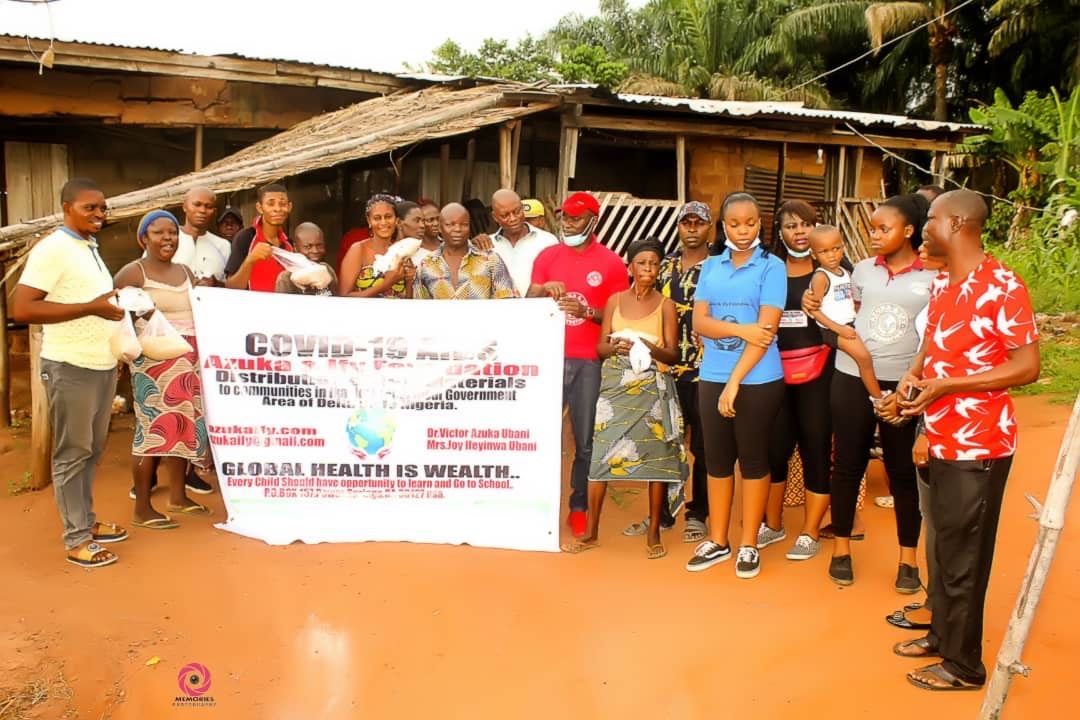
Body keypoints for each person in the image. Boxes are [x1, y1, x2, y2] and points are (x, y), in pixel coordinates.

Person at [894, 190, 1040, 692]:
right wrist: (911, 382)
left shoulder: (1002, 286)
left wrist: (948, 386)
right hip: (940, 433)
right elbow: (932, 344)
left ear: (956, 224)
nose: (923, 226)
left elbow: (1027, 365)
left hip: (980, 443)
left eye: (930, 219)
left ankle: (964, 666)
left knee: (965, 556)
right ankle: (941, 636)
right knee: (943, 547)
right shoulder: (942, 284)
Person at [803, 194, 935, 590]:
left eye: (883, 229)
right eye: (872, 229)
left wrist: (910, 384)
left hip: (905, 386)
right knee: (847, 464)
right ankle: (841, 549)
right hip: (849, 379)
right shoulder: (858, 271)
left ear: (909, 231)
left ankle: (907, 560)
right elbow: (834, 321)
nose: (874, 236)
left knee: (902, 471)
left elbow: (934, 337)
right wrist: (845, 345)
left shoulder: (932, 276)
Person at [11, 177, 128, 568]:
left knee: (91, 451)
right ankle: (77, 539)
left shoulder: (87, 246)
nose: (99, 214)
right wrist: (91, 308)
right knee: (72, 453)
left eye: (102, 207)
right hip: (70, 365)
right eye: (89, 208)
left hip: (100, 362)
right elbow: (23, 309)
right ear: (67, 208)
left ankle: (87, 522)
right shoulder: (54, 249)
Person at [561, 238, 686, 558]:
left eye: (654, 264)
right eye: (642, 263)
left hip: (650, 389)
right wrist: (615, 347)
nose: (648, 269)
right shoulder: (615, 301)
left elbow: (672, 354)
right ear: (630, 267)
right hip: (614, 387)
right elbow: (600, 347)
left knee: (655, 460)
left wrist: (646, 346)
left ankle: (654, 532)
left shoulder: (666, 305)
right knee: (601, 456)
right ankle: (591, 532)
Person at [684, 192, 786, 580]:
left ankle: (748, 544)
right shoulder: (711, 267)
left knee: (754, 461)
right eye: (734, 224)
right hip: (712, 375)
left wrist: (735, 383)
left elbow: (767, 332)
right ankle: (718, 540)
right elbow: (700, 323)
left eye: (751, 223)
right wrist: (740, 328)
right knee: (717, 460)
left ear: (761, 224)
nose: (743, 231)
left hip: (758, 379)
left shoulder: (771, 267)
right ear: (723, 226)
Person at [528, 191, 629, 538]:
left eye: (575, 218)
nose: (568, 223)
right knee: (539, 435)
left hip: (589, 361)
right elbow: (527, 305)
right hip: (548, 357)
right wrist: (542, 290)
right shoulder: (547, 256)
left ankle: (579, 506)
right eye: (565, 218)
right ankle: (536, 505)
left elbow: (619, 317)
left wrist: (587, 312)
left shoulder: (613, 263)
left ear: (593, 221)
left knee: (585, 440)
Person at [114, 210, 212, 527]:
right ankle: (142, 508)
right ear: (144, 238)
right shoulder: (133, 272)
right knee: (152, 432)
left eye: (172, 232)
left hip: (189, 361)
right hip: (154, 365)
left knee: (183, 427)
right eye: (158, 233)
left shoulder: (185, 271)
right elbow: (116, 315)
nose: (167, 238)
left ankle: (178, 497)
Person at [623, 201, 711, 542]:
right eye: (686, 222)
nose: (692, 228)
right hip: (663, 368)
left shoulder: (718, 267)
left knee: (703, 447)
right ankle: (661, 514)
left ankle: (699, 513)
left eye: (698, 223)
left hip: (705, 371)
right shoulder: (663, 266)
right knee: (662, 444)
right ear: (679, 227)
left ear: (708, 228)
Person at [763, 200, 836, 561]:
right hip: (775, 372)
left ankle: (810, 532)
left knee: (815, 447)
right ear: (780, 233)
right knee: (774, 449)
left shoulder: (833, 272)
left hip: (819, 374)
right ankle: (772, 525)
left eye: (806, 224)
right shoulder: (768, 270)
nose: (800, 232)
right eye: (791, 226)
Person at [886, 235, 946, 632]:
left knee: (946, 522)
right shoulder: (941, 287)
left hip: (951, 425)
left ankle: (943, 618)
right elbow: (925, 358)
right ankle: (934, 604)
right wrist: (903, 396)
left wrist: (923, 428)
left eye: (930, 234)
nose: (922, 246)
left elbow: (946, 371)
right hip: (926, 410)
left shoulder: (986, 286)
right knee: (937, 519)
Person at [806, 225, 883, 399]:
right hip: (832, 329)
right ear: (813, 254)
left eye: (835, 249)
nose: (831, 255)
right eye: (824, 251)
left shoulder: (846, 272)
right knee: (864, 358)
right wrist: (838, 329)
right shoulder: (821, 277)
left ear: (843, 247)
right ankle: (878, 398)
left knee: (865, 357)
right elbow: (813, 311)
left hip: (848, 323)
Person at [413, 203, 516, 300]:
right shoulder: (426, 265)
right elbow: (419, 307)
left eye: (464, 224)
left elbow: (507, 301)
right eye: (450, 224)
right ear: (440, 228)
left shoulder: (491, 260)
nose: (458, 229)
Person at [482, 189, 558, 296]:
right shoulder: (486, 246)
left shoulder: (548, 241)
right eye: (505, 215)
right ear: (495, 217)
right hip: (497, 311)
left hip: (537, 309)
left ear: (522, 209)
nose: (513, 218)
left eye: (517, 212)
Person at [339, 194, 414, 299]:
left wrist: (410, 281)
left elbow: (407, 300)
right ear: (369, 221)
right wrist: (386, 284)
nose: (383, 222)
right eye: (377, 218)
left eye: (388, 217)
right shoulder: (358, 250)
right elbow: (344, 296)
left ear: (396, 220)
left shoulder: (401, 251)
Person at [224, 183, 293, 292]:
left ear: (289, 207)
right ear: (259, 208)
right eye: (271, 204)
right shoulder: (245, 238)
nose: (277, 209)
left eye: (282, 204)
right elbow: (230, 287)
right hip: (253, 308)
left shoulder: (289, 245)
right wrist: (250, 261)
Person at [176, 187, 232, 286]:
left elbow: (231, 286)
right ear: (184, 206)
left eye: (208, 206)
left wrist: (215, 284)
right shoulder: (168, 241)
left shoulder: (223, 245)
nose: (202, 210)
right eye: (197, 204)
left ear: (214, 211)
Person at [274, 222, 338, 296]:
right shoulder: (286, 278)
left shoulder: (327, 269)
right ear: (295, 247)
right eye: (308, 247)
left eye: (319, 245)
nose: (315, 251)